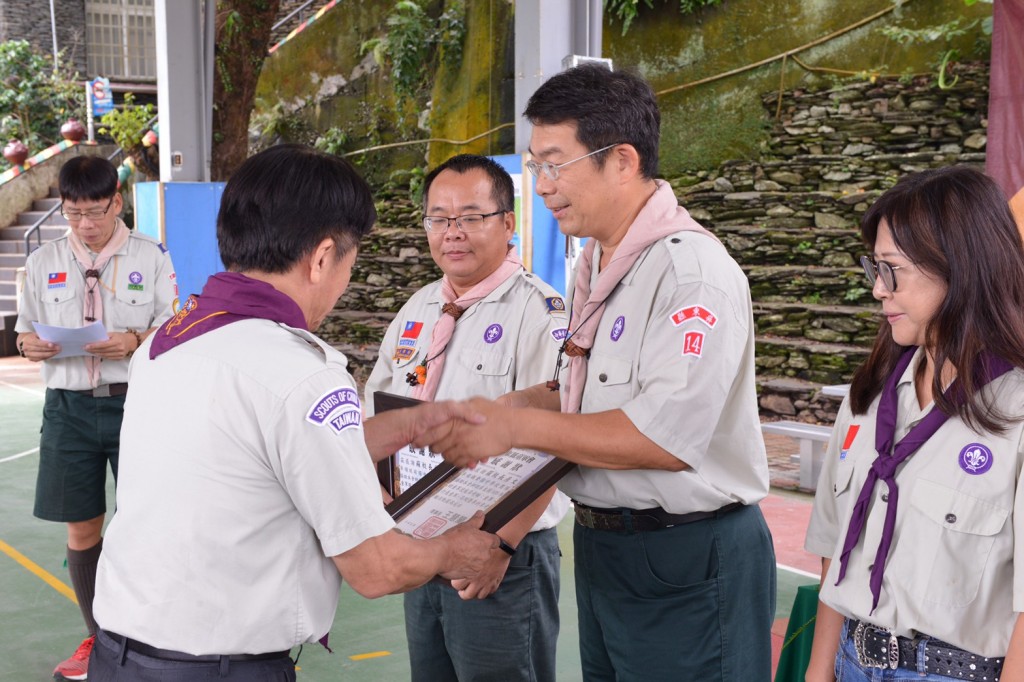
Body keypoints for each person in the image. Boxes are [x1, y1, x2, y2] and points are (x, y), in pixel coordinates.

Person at [416, 64, 777, 681]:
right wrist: (512, 405)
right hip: (609, 548)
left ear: (623, 160)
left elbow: (660, 437)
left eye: (555, 164)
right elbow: (584, 390)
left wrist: (512, 430)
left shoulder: (689, 272)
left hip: (688, 553)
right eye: (536, 166)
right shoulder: (601, 265)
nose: (543, 186)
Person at [87, 144, 498, 682]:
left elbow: (252, 455)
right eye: (350, 262)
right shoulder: (299, 372)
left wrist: (397, 428)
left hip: (121, 655)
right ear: (323, 256)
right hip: (218, 671)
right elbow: (376, 568)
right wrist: (455, 551)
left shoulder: (168, 340)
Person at [803, 166, 1024, 680]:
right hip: (853, 660)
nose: (879, 290)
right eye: (873, 268)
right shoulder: (868, 397)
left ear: (960, 267)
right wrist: (819, 672)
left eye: (891, 269)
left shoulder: (1014, 412)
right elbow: (837, 554)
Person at [364, 153, 570, 682]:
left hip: (501, 554)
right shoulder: (417, 311)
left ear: (507, 223)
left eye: (471, 217)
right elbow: (378, 413)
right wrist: (388, 506)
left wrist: (500, 544)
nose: (452, 232)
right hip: (424, 544)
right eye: (439, 218)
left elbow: (560, 444)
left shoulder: (540, 313)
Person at [14, 155, 176, 681]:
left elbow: (171, 329)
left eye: (96, 211)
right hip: (68, 409)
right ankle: (99, 640)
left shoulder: (150, 256)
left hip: (135, 404)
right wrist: (29, 344)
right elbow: (24, 331)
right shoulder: (41, 262)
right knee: (83, 529)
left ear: (117, 202)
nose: (86, 224)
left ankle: (154, 635)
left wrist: (131, 341)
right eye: (74, 212)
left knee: (146, 522)